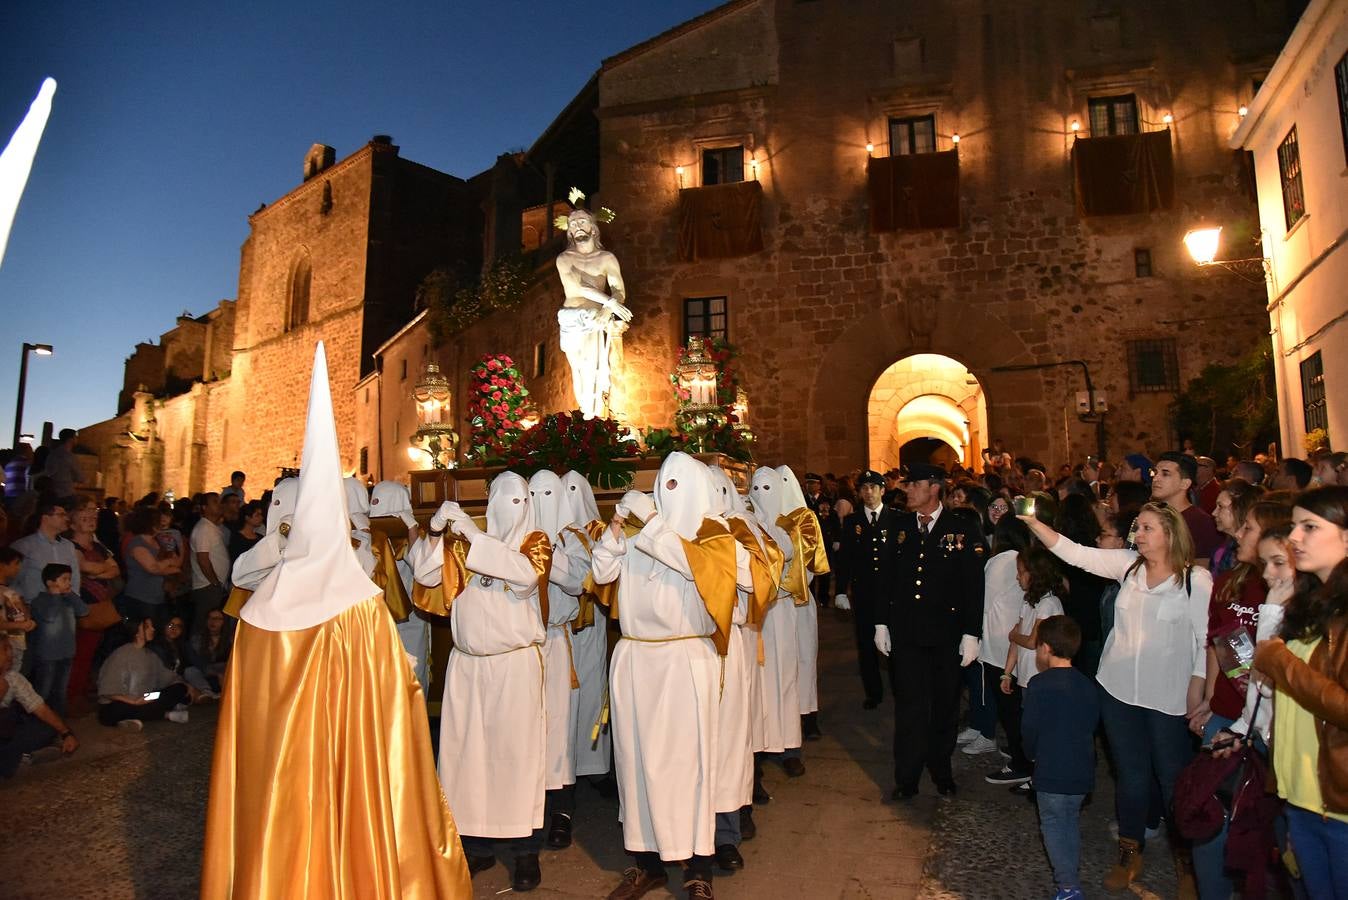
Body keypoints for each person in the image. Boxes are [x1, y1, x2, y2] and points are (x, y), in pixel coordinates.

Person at [202, 343, 471, 898]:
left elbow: (242, 721)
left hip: (279, 781)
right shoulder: (357, 602)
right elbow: (393, 704)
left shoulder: (259, 611)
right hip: (347, 769)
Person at [1022, 502, 1211, 894]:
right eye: (1137, 528)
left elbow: (1204, 640)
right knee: (1130, 775)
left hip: (1170, 696)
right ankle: (1130, 850)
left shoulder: (1196, 581)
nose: (1138, 535)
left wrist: (1198, 685)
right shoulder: (1128, 566)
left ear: (1171, 534)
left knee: (1172, 778)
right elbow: (1076, 553)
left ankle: (1186, 863)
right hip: (1119, 690)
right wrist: (1034, 524)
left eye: (1147, 528)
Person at [592, 455, 728, 900]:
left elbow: (690, 566)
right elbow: (601, 574)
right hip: (636, 658)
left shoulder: (714, 535)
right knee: (636, 763)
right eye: (660, 486)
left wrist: (650, 521)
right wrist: (614, 531)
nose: (665, 495)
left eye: (675, 486)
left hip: (684, 659)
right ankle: (646, 862)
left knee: (688, 765)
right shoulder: (640, 532)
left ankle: (698, 868)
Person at [408, 473, 550, 892]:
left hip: (514, 665)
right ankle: (476, 844)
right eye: (505, 499)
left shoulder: (534, 543)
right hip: (468, 665)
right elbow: (424, 574)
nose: (513, 508)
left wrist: (473, 535)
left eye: (520, 500)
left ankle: (525, 850)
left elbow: (524, 578)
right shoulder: (462, 545)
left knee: (515, 757)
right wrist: (434, 533)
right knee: (466, 757)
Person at [1250, 486, 1348, 898]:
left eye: (1310, 527)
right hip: (1301, 795)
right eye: (1294, 526)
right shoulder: (1311, 603)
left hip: (1339, 803)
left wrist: (1280, 663)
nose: (1294, 538)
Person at [875, 463, 985, 800]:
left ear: (934, 488)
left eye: (914, 484)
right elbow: (886, 577)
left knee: (944, 706)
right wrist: (881, 622)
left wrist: (971, 632)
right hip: (907, 633)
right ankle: (906, 777)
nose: (907, 490)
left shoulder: (962, 528)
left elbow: (973, 584)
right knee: (909, 707)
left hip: (946, 635)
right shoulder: (898, 525)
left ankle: (941, 769)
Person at [527, 469, 591, 852]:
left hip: (555, 639)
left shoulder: (572, 538)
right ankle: (530, 809)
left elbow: (578, 581)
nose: (539, 502)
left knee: (559, 730)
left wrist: (549, 554)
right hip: (524, 644)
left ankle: (562, 813)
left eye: (547, 494)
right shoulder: (518, 535)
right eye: (532, 494)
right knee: (530, 730)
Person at [1022, 615, 1099, 900]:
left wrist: (1032, 756)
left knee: (1053, 824)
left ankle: (1067, 886)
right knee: (1069, 822)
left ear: (1044, 648)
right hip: (1081, 769)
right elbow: (1092, 724)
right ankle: (1071, 874)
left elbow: (1030, 728)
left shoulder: (1039, 685)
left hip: (1051, 769)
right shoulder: (1088, 685)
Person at [989, 546, 1064, 789]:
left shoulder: (1048, 604)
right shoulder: (1029, 602)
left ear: (1036, 573)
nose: (1018, 577)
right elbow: (1018, 639)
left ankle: (1041, 776)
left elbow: (1031, 640)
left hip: (1042, 678)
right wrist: (1007, 672)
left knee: (1041, 729)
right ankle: (1034, 772)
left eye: (1021, 572)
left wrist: (1013, 635)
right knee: (1029, 728)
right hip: (1026, 678)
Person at [560, 470, 614, 794]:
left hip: (591, 625)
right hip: (562, 628)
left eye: (573, 491)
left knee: (593, 693)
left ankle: (595, 764)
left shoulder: (599, 531)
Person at [749, 466, 805, 776]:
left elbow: (790, 557)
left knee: (784, 677)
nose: (760, 496)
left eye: (767, 489)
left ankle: (789, 745)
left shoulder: (790, 526)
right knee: (759, 682)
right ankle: (760, 745)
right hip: (757, 617)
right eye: (755, 489)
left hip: (781, 612)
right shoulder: (747, 525)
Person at [553, 204, 632, 418]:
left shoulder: (607, 259)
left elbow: (619, 290)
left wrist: (607, 311)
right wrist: (611, 303)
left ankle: (592, 417)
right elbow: (577, 287)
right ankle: (588, 416)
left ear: (593, 228)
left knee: (593, 370)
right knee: (577, 369)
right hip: (571, 318)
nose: (577, 226)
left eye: (582, 221)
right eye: (573, 223)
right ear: (569, 231)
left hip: (595, 318)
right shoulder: (564, 259)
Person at [965, 516, 1034, 758]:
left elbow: (983, 601)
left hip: (998, 638)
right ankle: (1015, 747)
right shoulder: (1022, 557)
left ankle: (1015, 753)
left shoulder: (1001, 560)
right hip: (1013, 635)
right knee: (1011, 698)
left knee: (1004, 699)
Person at [775, 465, 831, 742]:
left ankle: (808, 715)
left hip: (799, 601)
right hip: (774, 606)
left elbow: (810, 563)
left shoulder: (805, 520)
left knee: (805, 658)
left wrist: (787, 585)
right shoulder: (767, 518)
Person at [834, 470, 895, 709]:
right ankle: (873, 692)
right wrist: (840, 590)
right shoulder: (852, 522)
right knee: (866, 644)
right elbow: (845, 559)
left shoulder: (896, 519)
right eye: (864, 488)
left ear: (882, 490)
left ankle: (899, 687)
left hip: (891, 595)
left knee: (895, 644)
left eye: (873, 487)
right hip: (864, 593)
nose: (868, 492)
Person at [0, 637, 78, 778]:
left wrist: (66, 733)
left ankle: (18, 755)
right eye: (5, 649)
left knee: (47, 727)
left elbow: (40, 708)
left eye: (9, 648)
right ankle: (19, 756)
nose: (11, 654)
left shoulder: (13, 678)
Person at [96, 617, 193, 728]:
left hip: (144, 697)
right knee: (115, 711)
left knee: (179, 688)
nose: (152, 629)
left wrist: (184, 684)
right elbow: (107, 690)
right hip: (121, 701)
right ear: (136, 631)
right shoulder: (121, 654)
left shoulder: (150, 655)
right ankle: (165, 714)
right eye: (147, 627)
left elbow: (166, 677)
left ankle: (131, 719)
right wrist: (133, 701)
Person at [28, 563, 89, 716]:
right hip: (48, 654)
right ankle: (37, 721)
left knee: (61, 690)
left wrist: (70, 595)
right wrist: (55, 596)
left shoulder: (68, 599)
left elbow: (84, 611)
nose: (69, 583)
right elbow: (50, 616)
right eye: (64, 579)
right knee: (44, 689)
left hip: (66, 652)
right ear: (50, 582)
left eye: (70, 579)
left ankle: (58, 719)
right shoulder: (39, 601)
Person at [1152, 451, 1222, 564]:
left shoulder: (1200, 522)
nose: (1155, 478)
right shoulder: (1151, 515)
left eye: (1165, 474)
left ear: (1185, 483)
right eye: (1155, 473)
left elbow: (1203, 567)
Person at [10, 500, 81, 607]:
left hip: (63, 606)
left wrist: (73, 599)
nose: (66, 518)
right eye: (61, 515)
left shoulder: (68, 546)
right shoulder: (24, 546)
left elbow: (75, 577)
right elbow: (13, 579)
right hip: (33, 607)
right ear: (45, 518)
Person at [119, 505, 180, 625]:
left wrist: (168, 565)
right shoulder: (137, 544)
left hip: (158, 596)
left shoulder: (158, 540)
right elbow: (153, 568)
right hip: (141, 597)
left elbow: (175, 560)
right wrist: (168, 564)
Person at [189, 493, 229, 637]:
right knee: (204, 625)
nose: (219, 504)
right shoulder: (204, 529)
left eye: (219, 501)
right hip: (207, 586)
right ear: (204, 507)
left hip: (212, 585)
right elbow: (203, 558)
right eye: (214, 502)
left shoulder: (211, 527)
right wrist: (214, 582)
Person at [1210, 479, 1264, 575]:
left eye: (1220, 506)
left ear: (1239, 509)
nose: (1214, 513)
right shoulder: (1225, 549)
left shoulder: (1251, 555)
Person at [1, 547, 33, 675]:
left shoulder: (9, 591)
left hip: (16, 643)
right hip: (5, 645)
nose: (18, 568)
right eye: (16, 564)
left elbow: (23, 615)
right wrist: (21, 625)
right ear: (2, 565)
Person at [42, 428, 83, 499]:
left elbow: (49, 471)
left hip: (52, 492)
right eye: (75, 437)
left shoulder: (52, 454)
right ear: (70, 439)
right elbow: (79, 476)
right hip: (66, 492)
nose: (77, 439)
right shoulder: (70, 456)